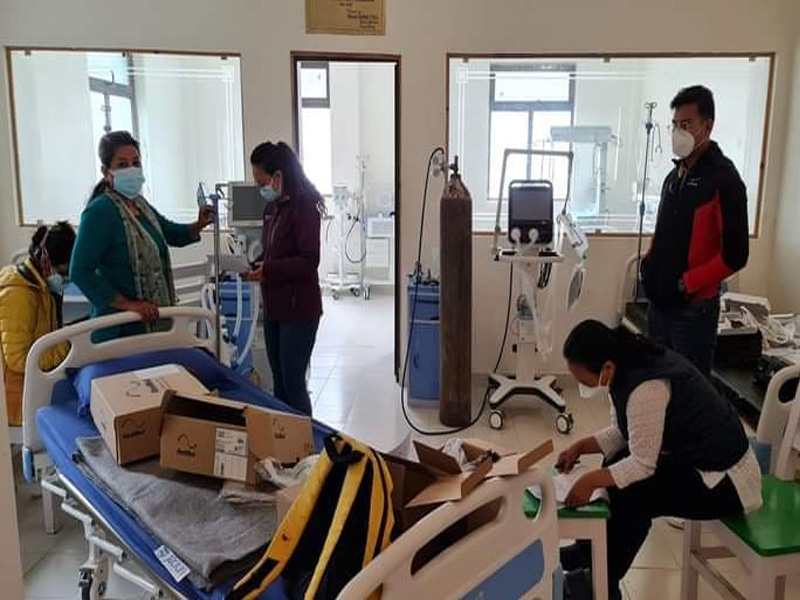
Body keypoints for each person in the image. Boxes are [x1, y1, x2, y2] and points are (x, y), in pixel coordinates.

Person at [557, 319, 762, 600]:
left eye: (583, 381)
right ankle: (589, 552)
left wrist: (590, 481)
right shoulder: (623, 365)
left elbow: (642, 464)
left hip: (727, 480)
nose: (582, 387)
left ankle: (602, 583)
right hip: (700, 460)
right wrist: (580, 447)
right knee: (615, 461)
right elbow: (626, 433)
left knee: (637, 491)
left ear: (606, 368)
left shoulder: (646, 387)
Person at [641, 85, 749, 377]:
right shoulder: (673, 177)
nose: (679, 132)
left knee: (687, 390)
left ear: (707, 126)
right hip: (659, 304)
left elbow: (736, 255)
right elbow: (664, 228)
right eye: (675, 125)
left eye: (686, 124)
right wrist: (648, 263)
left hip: (692, 311)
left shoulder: (724, 180)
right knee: (653, 385)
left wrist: (687, 283)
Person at [71, 131, 214, 341]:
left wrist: (199, 224)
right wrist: (129, 305)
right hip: (120, 330)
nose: (131, 169)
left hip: (153, 324)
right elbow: (80, 272)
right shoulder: (100, 212)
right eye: (122, 164)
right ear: (106, 171)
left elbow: (172, 233)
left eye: (136, 163)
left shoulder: (140, 205)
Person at [246, 142, 323, 416]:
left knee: (293, 382)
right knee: (278, 380)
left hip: (299, 310)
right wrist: (257, 264)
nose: (261, 189)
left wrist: (268, 270)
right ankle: (283, 437)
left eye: (262, 182)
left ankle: (306, 438)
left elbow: (309, 260)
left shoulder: (305, 207)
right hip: (275, 308)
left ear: (278, 176)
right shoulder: (272, 209)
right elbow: (273, 252)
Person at [0, 223, 76, 426]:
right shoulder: (19, 296)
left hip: (32, 384)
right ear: (48, 264)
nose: (65, 278)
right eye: (64, 271)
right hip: (16, 399)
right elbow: (18, 360)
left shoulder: (37, 287)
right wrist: (66, 346)